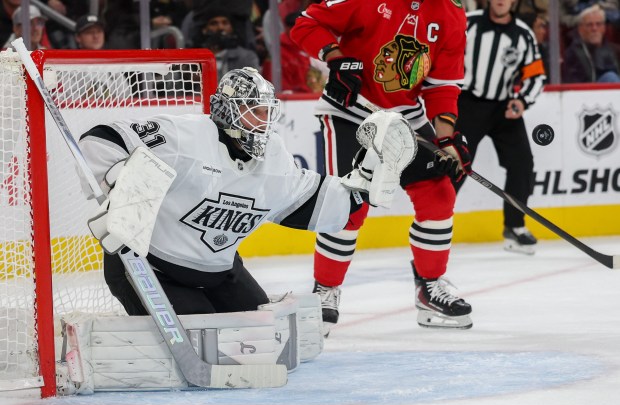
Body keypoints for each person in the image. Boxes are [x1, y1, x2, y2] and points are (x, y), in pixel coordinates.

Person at [78, 67, 416, 316]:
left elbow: (310, 203)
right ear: (228, 109)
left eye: (267, 112)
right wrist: (122, 186)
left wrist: (366, 182)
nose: (263, 121)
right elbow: (101, 138)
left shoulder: (274, 155)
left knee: (264, 340)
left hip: (222, 272)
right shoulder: (183, 136)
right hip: (149, 268)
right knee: (210, 343)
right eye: (254, 111)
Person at [291, 0, 474, 333]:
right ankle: (325, 289)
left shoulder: (452, 13)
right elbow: (305, 24)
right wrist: (336, 58)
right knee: (349, 202)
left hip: (405, 119)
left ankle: (429, 288)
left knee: (438, 194)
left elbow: (442, 84)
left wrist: (447, 139)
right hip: (351, 113)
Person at [455, 0, 546, 254]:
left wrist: (522, 100)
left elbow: (536, 75)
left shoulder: (523, 33)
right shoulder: (467, 23)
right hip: (468, 104)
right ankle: (437, 223)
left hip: (505, 107)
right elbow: (442, 55)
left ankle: (515, 226)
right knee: (454, 164)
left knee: (522, 164)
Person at [192, 7, 260, 80]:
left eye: (225, 23)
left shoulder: (246, 58)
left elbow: (254, 86)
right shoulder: (194, 60)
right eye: (214, 23)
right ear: (204, 30)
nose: (220, 27)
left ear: (231, 28)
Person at [562, 5, 620, 83]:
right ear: (580, 29)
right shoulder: (573, 53)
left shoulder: (614, 50)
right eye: (589, 25)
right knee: (610, 77)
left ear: (604, 28)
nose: (594, 29)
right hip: (588, 92)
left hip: (613, 91)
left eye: (598, 24)